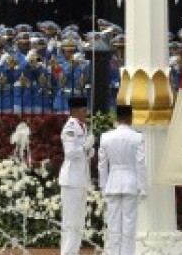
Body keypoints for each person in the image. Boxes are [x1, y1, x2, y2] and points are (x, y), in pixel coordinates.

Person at [98, 105, 147, 255]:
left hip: (112, 183)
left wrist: (103, 186)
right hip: (130, 183)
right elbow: (141, 164)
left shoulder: (106, 137)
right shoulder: (137, 137)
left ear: (116, 118)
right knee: (129, 225)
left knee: (113, 225)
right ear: (130, 118)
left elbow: (102, 165)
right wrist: (143, 187)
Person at [58, 97, 94, 255]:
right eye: (84, 110)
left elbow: (82, 154)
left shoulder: (83, 127)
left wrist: (89, 151)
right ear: (75, 111)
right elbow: (71, 153)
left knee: (78, 222)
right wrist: (86, 147)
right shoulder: (70, 128)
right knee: (71, 222)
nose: (86, 113)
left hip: (80, 179)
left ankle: (72, 252)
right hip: (71, 180)